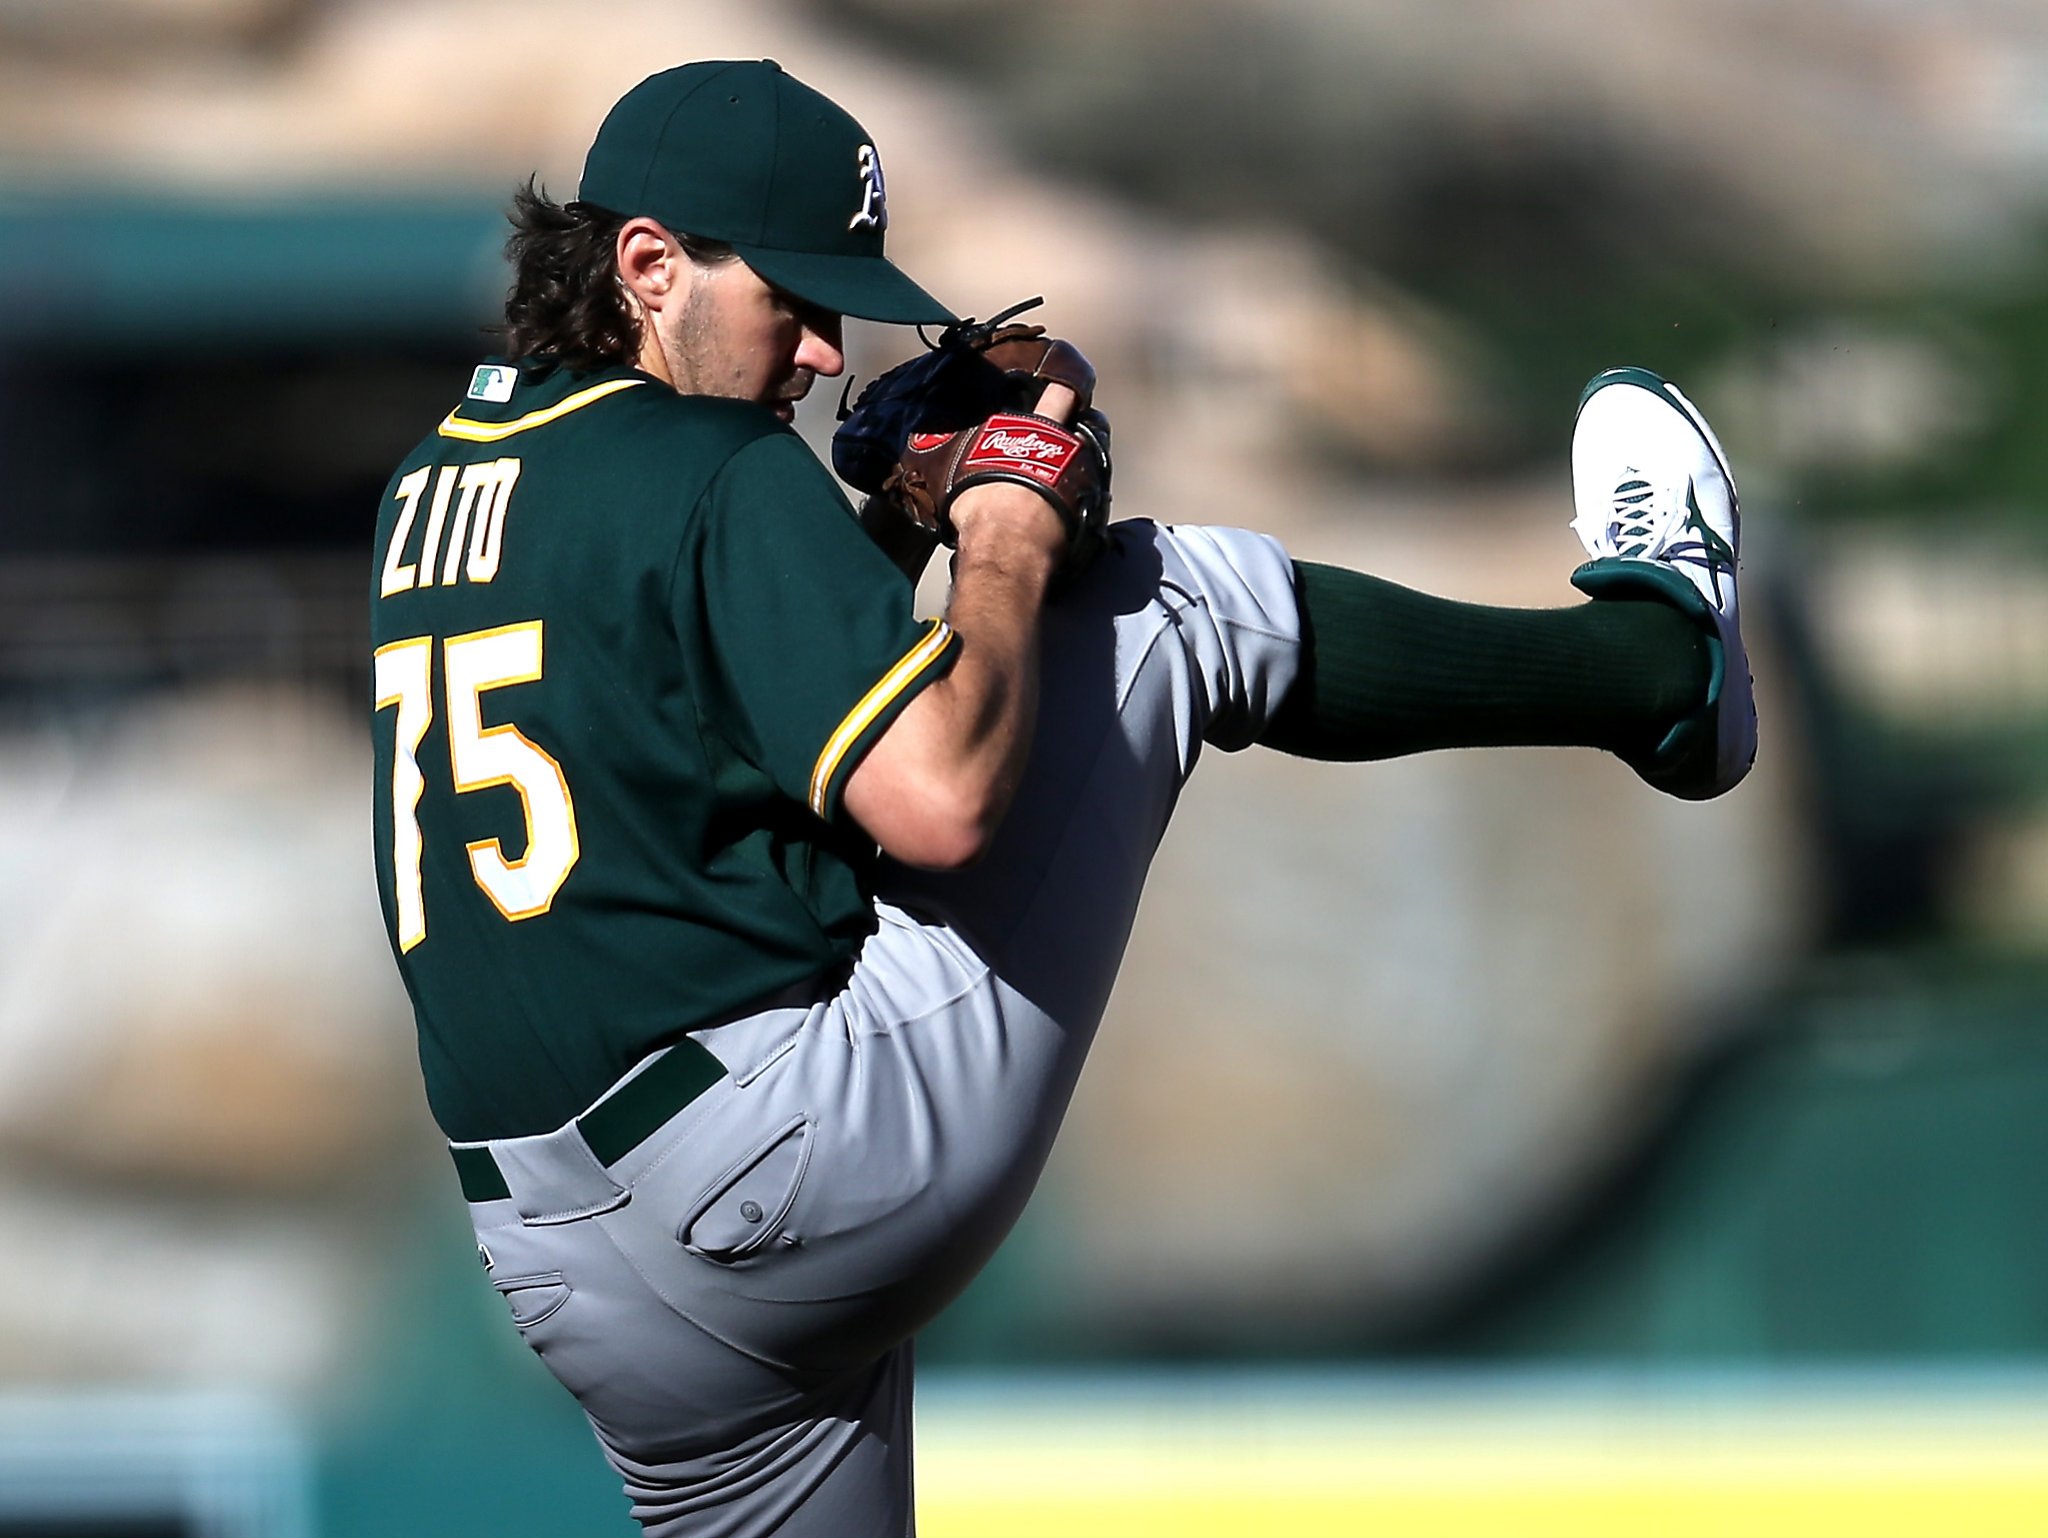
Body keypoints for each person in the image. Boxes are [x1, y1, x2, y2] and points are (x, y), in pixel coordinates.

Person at [368, 58, 1753, 1538]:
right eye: (795, 296)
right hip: (777, 1169)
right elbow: (945, 798)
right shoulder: (706, 468)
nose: (827, 353)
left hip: (566, 1275)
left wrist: (897, 542)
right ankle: (1662, 663)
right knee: (1172, 607)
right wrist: (1004, 521)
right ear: (649, 264)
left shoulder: (430, 490)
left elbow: (697, 737)